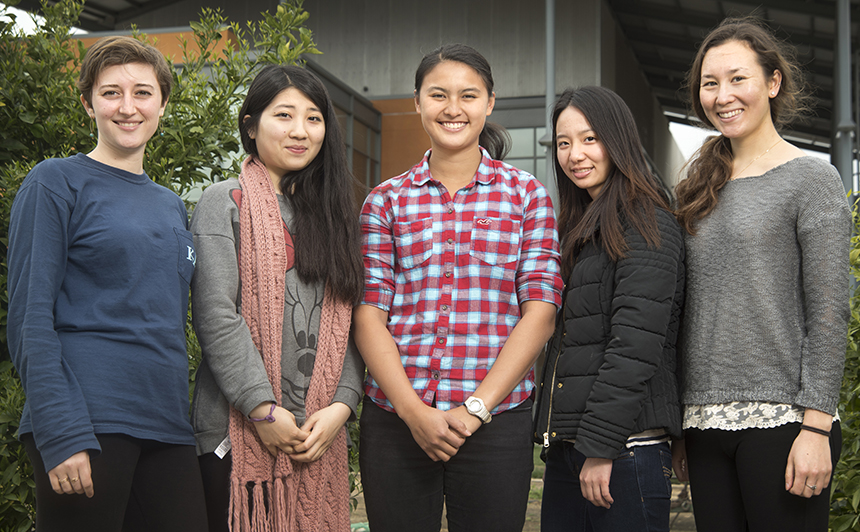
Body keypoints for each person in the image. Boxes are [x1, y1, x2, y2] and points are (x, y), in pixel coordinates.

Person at [353, 43, 564, 532]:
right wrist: (413, 412)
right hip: (396, 418)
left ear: (489, 103)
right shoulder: (384, 201)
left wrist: (475, 409)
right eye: (438, 95)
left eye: (468, 95)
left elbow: (541, 312)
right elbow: (368, 315)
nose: (453, 108)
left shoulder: (527, 195)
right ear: (417, 102)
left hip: (495, 419)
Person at [6, 36, 207, 532]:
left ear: (163, 103)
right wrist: (60, 429)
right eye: (111, 92)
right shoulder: (55, 182)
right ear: (88, 103)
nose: (127, 107)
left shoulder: (171, 204)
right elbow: (29, 316)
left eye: (142, 93)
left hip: (167, 423)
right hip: (88, 420)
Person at [671, 18, 850, 532]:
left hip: (786, 422)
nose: (722, 96)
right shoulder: (696, 187)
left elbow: (829, 310)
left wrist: (816, 426)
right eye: (709, 83)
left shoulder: (811, 179)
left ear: (773, 82)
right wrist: (681, 424)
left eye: (737, 79)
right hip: (704, 422)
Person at [189, 64, 365, 532]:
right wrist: (262, 410)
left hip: (319, 430)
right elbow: (216, 314)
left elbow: (353, 322)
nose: (300, 131)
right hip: (235, 432)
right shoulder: (224, 201)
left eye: (313, 118)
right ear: (251, 126)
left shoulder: (335, 215)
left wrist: (342, 407)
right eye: (284, 115)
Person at [533, 86, 685, 532]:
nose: (574, 154)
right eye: (564, 143)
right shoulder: (584, 228)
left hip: (623, 452)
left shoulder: (646, 222)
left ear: (617, 140)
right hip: (574, 449)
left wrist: (600, 448)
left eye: (589, 139)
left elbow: (634, 347)